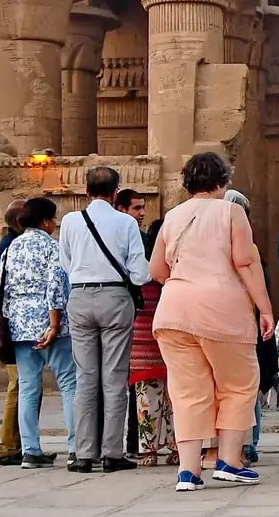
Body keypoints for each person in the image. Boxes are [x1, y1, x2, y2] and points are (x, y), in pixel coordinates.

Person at [150, 153, 275, 492]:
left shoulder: (172, 217)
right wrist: (265, 308)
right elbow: (246, 262)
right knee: (238, 385)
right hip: (221, 310)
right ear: (222, 181)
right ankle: (230, 461)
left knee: (188, 392)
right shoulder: (231, 211)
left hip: (174, 312)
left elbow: (157, 270)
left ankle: (188, 472)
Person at [60, 166, 150, 474]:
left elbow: (65, 263)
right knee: (114, 377)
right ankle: (113, 452)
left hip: (80, 296)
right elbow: (140, 272)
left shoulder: (71, 221)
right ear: (115, 194)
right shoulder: (125, 222)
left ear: (86, 192)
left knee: (86, 378)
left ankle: (84, 453)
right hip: (114, 297)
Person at [2, 198, 77, 469]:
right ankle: (75, 447)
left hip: (19, 324)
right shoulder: (51, 247)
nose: (56, 224)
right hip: (48, 321)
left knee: (28, 386)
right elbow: (56, 287)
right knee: (69, 383)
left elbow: (4, 289)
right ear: (46, 221)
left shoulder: (11, 248)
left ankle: (30, 450)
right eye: (54, 219)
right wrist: (55, 325)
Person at [224, 189, 278, 467]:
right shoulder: (248, 248)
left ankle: (238, 444)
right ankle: (246, 443)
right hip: (243, 321)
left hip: (231, 320)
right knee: (246, 385)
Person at [129, 215, 177, 468]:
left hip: (141, 343)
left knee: (145, 401)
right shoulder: (170, 276)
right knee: (175, 400)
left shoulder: (137, 279)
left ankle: (147, 451)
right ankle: (176, 447)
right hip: (169, 342)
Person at [116, 187, 148, 458]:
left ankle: (133, 442)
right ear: (121, 209)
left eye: (143, 208)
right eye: (136, 209)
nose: (141, 214)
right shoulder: (119, 236)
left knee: (136, 383)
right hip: (120, 311)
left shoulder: (145, 239)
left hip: (137, 316)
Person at [0, 198, 26, 466]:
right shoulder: (11, 247)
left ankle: (18, 443)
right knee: (17, 386)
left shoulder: (10, 243)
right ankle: (8, 446)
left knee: (21, 386)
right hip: (13, 326)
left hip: (14, 325)